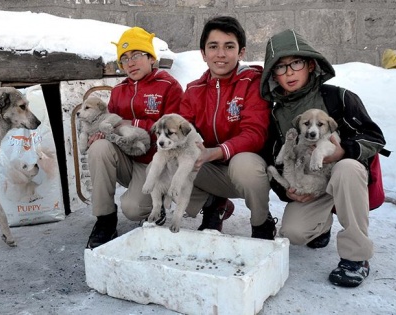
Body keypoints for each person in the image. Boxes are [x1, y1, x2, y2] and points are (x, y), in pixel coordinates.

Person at [260, 29, 387, 287]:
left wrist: (344, 152)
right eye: (281, 68)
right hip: (312, 184)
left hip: (345, 178)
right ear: (273, 75)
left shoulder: (339, 97)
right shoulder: (277, 114)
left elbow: (374, 138)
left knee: (348, 169)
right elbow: (274, 157)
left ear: (310, 64)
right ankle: (322, 224)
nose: (290, 73)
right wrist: (288, 193)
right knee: (293, 232)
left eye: (295, 63)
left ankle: (355, 257)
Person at [85, 27, 185, 249]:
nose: (130, 63)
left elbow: (174, 131)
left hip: (154, 163)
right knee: (99, 147)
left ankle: (171, 203)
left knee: (133, 209)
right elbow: (110, 123)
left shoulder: (169, 86)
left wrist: (133, 124)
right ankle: (105, 219)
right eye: (125, 59)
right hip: (127, 158)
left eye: (137, 56)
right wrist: (102, 133)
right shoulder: (118, 91)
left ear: (151, 58)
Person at [179, 16, 277, 238]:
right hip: (211, 169)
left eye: (229, 46)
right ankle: (213, 205)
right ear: (203, 53)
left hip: (249, 172)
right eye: (213, 47)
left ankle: (261, 222)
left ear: (241, 52)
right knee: (174, 160)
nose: (220, 54)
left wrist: (217, 151)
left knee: (244, 163)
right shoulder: (193, 90)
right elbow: (182, 130)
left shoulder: (252, 82)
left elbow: (255, 134)